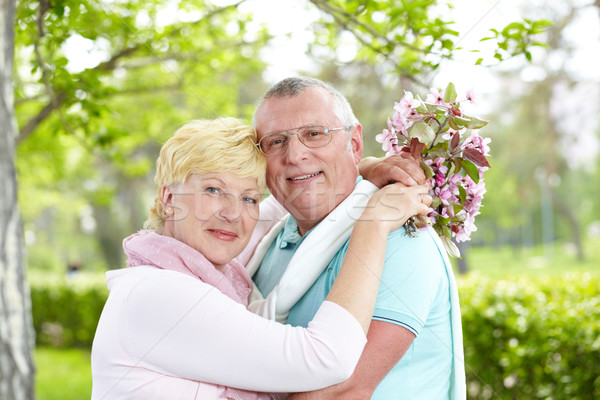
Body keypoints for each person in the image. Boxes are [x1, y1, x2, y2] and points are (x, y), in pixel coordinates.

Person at [90, 117, 432, 399]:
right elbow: (327, 357)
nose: (232, 213)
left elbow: (281, 199)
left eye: (249, 198)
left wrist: (360, 168)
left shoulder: (201, 264)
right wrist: (373, 224)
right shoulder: (162, 294)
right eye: (212, 190)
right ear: (169, 198)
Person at [250, 77, 466, 400]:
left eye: (314, 134)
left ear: (354, 144)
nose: (295, 155)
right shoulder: (264, 242)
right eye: (275, 142)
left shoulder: (399, 237)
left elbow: (341, 393)